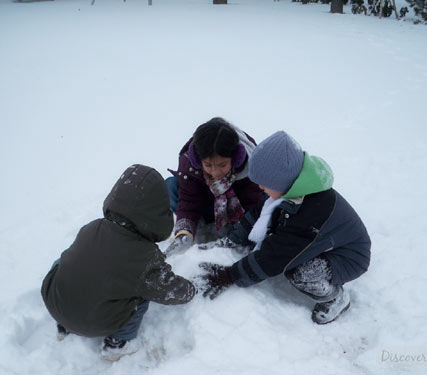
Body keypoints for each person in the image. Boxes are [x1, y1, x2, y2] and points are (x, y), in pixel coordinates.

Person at [198, 131, 371, 325]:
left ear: (282, 181)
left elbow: (276, 256)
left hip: (347, 256)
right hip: (324, 243)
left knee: (300, 272)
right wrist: (234, 239)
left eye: (264, 184)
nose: (261, 188)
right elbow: (258, 214)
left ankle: (335, 298)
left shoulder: (311, 213)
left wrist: (230, 275)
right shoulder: (290, 191)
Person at [41, 164, 196, 361]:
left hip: (54, 303)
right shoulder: (145, 257)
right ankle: (118, 343)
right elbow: (170, 290)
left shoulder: (92, 227)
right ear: (157, 213)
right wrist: (193, 288)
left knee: (69, 260)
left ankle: (64, 326)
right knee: (143, 289)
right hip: (92, 323)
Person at [165, 117, 265, 253]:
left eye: (222, 165)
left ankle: (232, 228)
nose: (216, 173)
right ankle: (200, 230)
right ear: (198, 160)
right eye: (208, 165)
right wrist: (184, 233)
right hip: (206, 205)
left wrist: (242, 234)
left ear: (236, 157)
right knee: (171, 185)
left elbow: (252, 204)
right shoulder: (189, 165)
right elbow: (188, 202)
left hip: (238, 209)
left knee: (266, 194)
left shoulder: (251, 164)